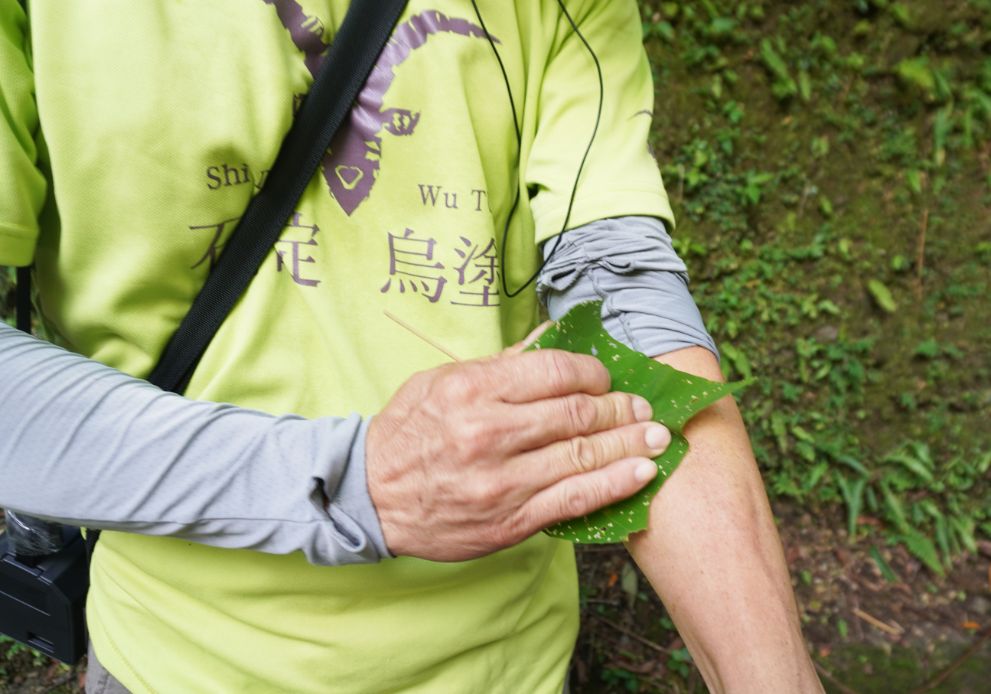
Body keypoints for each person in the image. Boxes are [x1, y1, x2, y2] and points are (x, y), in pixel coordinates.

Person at [0, 1, 823, 691]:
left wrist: (772, 678)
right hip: (175, 660)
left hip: (510, 663)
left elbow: (622, 297)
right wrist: (353, 485)